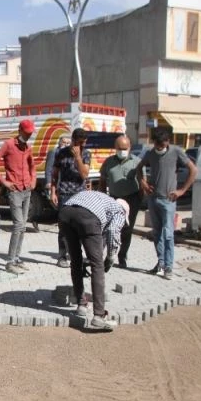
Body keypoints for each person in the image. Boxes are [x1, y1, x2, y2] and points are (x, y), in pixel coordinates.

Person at [58, 190, 129, 332]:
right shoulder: (119, 210)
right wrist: (110, 257)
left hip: (65, 213)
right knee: (98, 266)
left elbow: (99, 235)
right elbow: (113, 231)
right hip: (87, 217)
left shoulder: (102, 200)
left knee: (76, 261)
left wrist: (93, 255)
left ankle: (81, 305)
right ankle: (99, 315)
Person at [136, 129, 197, 279]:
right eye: (157, 146)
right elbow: (138, 168)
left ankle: (168, 266)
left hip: (168, 200)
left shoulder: (176, 152)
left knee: (168, 234)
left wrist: (182, 190)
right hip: (153, 199)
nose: (159, 148)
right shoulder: (151, 153)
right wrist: (143, 183)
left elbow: (193, 170)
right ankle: (161, 263)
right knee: (157, 233)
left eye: (162, 146)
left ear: (167, 142)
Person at [0, 119, 36, 275]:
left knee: (23, 226)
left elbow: (32, 166)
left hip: (26, 189)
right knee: (18, 225)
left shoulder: (28, 147)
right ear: (20, 130)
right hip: (14, 190)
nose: (29, 136)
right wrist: (4, 182)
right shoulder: (8, 145)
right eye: (27, 133)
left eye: (30, 133)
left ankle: (16, 258)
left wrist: (33, 180)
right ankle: (9, 262)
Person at [98, 135, 141, 268]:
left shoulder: (137, 162)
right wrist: (102, 197)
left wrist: (140, 200)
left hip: (131, 198)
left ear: (130, 147)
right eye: (120, 148)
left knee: (127, 229)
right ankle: (106, 254)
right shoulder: (109, 162)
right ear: (115, 148)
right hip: (114, 198)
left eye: (125, 148)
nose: (122, 151)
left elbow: (142, 182)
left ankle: (122, 256)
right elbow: (102, 180)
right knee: (110, 228)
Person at [50, 127, 90, 268]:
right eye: (79, 142)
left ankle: (77, 255)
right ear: (73, 140)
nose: (82, 145)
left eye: (84, 142)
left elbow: (84, 174)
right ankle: (62, 257)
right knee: (63, 227)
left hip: (80, 195)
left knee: (81, 226)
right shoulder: (61, 153)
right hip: (65, 194)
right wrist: (53, 192)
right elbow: (54, 174)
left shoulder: (86, 154)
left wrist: (78, 157)